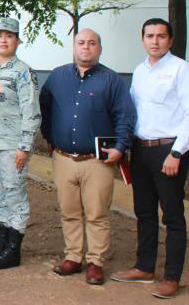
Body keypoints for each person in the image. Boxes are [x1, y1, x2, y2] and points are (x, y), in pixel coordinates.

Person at [111, 18, 189, 299]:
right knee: (145, 211)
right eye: (149, 36)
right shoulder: (139, 72)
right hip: (141, 150)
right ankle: (144, 267)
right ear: (143, 40)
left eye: (161, 36)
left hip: (169, 151)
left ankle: (172, 277)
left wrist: (177, 153)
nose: (155, 41)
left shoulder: (182, 70)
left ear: (170, 40)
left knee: (172, 215)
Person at [39, 29, 135, 284]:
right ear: (73, 46)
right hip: (63, 159)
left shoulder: (112, 81)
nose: (86, 47)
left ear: (99, 49)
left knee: (96, 213)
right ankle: (73, 256)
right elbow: (45, 106)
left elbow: (124, 117)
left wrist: (121, 146)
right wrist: (49, 136)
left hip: (98, 162)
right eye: (81, 42)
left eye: (92, 43)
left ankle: (95, 261)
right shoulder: (57, 77)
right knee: (69, 211)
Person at [0, 17, 41, 270]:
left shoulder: (23, 71)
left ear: (18, 40)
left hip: (12, 145)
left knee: (15, 197)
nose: (3, 40)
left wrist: (25, 146)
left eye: (9, 35)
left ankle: (13, 250)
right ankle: (0, 244)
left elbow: (31, 111)